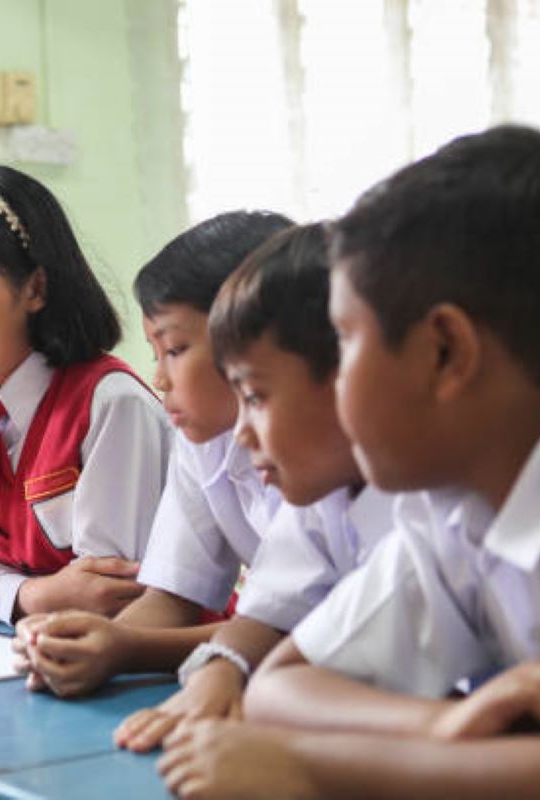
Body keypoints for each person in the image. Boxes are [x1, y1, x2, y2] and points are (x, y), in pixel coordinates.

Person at [158, 126, 540, 799]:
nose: (334, 386)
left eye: (345, 345)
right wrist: (448, 726)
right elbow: (283, 687)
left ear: (444, 352)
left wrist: (315, 768)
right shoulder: (454, 513)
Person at [128, 223, 393, 757]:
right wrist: (219, 670)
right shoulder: (325, 488)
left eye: (256, 395)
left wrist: (312, 770)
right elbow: (270, 623)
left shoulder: (428, 502)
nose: (245, 432)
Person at [11, 211, 290, 698]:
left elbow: (295, 628)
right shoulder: (202, 439)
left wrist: (127, 647)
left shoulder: (324, 460)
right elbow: (172, 595)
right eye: (154, 352)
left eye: (176, 350)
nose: (158, 378)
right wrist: (85, 641)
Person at [0, 165, 170, 623]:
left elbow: (108, 596)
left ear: (35, 287)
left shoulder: (111, 406)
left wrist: (4, 591)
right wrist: (37, 595)